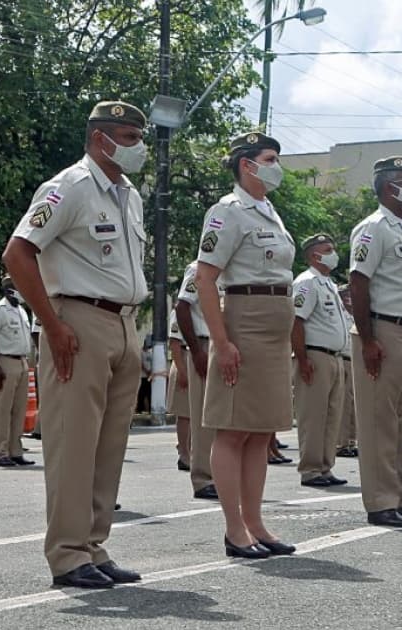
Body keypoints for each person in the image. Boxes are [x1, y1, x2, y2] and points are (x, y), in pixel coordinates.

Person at [3, 100, 149, 589]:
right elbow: (18, 253)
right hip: (78, 320)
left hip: (123, 323)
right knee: (74, 445)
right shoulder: (69, 187)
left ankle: (94, 545)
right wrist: (52, 323)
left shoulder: (129, 195)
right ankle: (67, 554)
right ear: (99, 138)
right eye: (128, 138)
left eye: (137, 137)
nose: (138, 147)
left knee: (109, 447)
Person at [194, 131, 297, 559]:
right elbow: (204, 279)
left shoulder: (269, 211)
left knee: (260, 431)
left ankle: (256, 524)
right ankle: (234, 529)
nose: (277, 166)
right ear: (246, 165)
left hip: (274, 327)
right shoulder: (227, 212)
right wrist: (223, 341)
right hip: (246, 321)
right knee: (234, 429)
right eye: (270, 158)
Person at [347, 156, 402, 528]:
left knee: (397, 425)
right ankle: (380, 502)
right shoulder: (373, 228)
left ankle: (398, 497)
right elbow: (358, 281)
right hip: (381, 330)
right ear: (387, 187)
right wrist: (367, 339)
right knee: (378, 423)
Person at [291, 233, 350, 487]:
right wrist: (302, 359)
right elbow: (296, 321)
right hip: (315, 356)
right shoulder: (307, 283)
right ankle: (311, 469)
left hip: (334, 358)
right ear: (315, 255)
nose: (333, 253)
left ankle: (325, 466)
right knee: (313, 416)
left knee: (332, 415)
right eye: (328, 249)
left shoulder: (328, 284)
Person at [175, 260, 218, 499]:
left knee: (223, 419)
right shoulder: (198, 269)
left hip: (223, 345)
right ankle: (203, 479)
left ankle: (221, 476)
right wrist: (196, 350)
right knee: (204, 417)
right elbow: (182, 307)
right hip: (203, 344)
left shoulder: (231, 267)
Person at [0, 275, 34, 467]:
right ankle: (0, 453)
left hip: (21, 362)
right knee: (2, 411)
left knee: (19, 410)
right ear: (9, 289)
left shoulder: (21, 311)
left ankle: (15, 451)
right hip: (4, 361)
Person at [335, 284, 358, 458]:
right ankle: (341, 443)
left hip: (355, 362)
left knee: (353, 404)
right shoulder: (340, 314)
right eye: (345, 294)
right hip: (342, 359)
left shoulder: (355, 315)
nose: (349, 297)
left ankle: (351, 441)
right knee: (343, 404)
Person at [167, 310, 190, 471]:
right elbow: (174, 343)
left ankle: (190, 451)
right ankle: (183, 453)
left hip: (196, 357)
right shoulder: (179, 312)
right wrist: (182, 371)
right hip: (184, 358)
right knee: (184, 413)